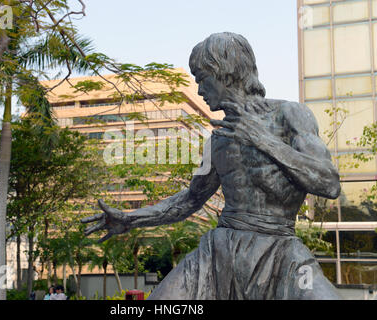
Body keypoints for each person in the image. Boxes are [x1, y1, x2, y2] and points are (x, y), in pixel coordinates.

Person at [81, 32, 342, 300]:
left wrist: (261, 138)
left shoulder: (289, 114)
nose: (199, 91)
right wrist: (130, 219)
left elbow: (329, 182)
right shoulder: (217, 141)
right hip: (218, 251)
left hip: (282, 252)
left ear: (225, 73)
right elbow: (190, 199)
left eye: (202, 79)